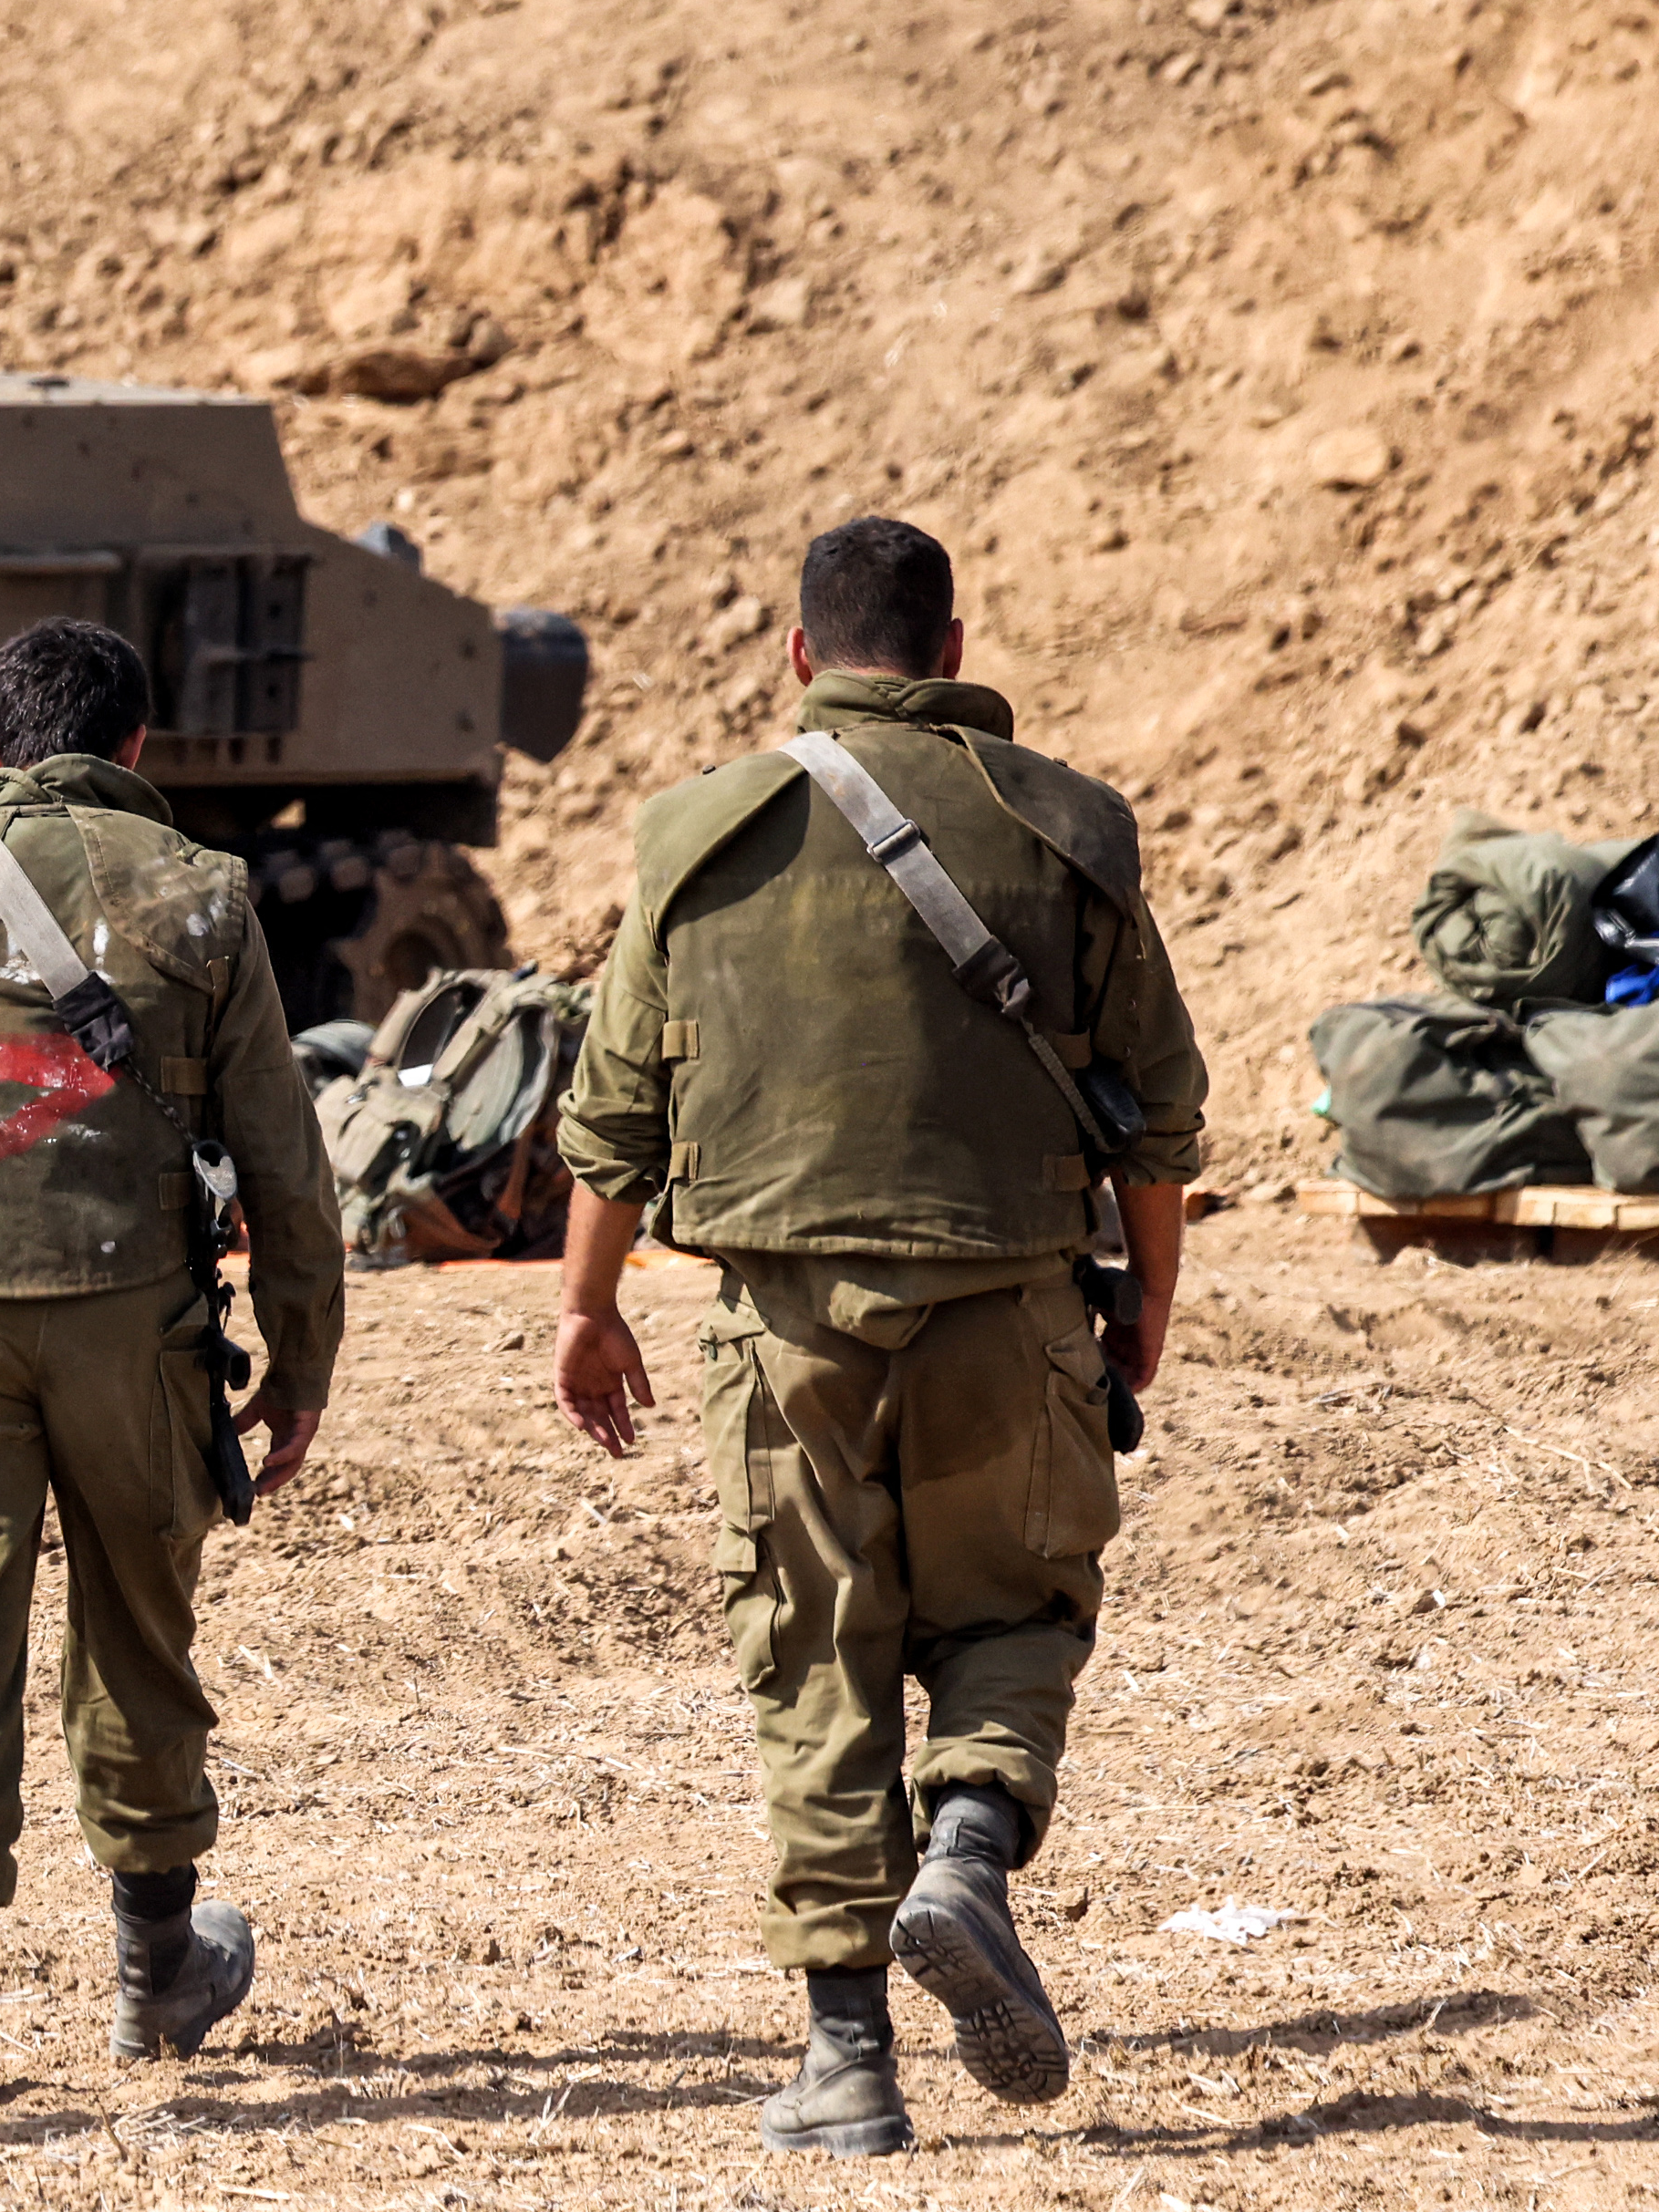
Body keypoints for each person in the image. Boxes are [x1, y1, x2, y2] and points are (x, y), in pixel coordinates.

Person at [548, 516, 1208, 2158]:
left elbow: (612, 1117)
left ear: (798, 656)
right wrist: (1143, 1314)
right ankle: (970, 1847)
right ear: (956, 649)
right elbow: (1163, 1119)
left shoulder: (693, 838)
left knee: (812, 1652)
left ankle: (848, 2063)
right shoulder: (1069, 826)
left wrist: (585, 1302)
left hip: (783, 1325)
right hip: (1016, 1305)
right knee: (1016, 1609)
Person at [0, 615, 345, 2110]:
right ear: (138, 749)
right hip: (136, 1324)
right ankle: (156, 1974)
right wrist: (301, 1363)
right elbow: (290, 1170)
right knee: (139, 1644)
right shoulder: (210, 899)